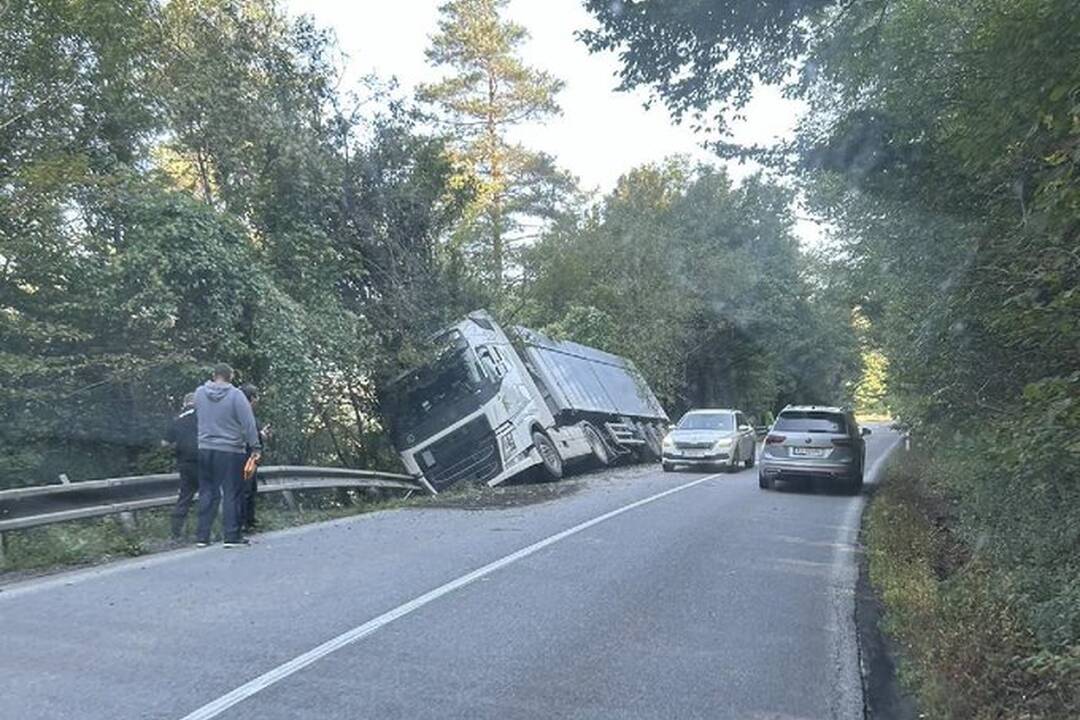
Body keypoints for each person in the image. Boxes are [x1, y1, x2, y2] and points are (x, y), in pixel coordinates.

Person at [193, 363, 260, 547]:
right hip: (230, 450)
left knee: (207, 491)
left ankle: (202, 536)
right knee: (232, 492)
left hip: (205, 448)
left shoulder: (199, 393)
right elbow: (248, 422)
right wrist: (255, 447)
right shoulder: (236, 395)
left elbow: (196, 415)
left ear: (214, 374)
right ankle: (231, 535)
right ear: (231, 376)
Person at [163, 393, 199, 539]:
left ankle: (176, 533)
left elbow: (164, 443)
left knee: (185, 496)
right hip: (204, 462)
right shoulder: (204, 417)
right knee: (210, 495)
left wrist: (178, 446)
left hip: (185, 463)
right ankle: (205, 530)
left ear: (185, 403)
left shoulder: (177, 421)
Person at [238, 383, 270, 532]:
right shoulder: (242, 413)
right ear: (251, 398)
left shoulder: (248, 414)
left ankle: (250, 520)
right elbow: (244, 434)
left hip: (250, 457)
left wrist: (262, 434)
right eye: (256, 396)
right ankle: (242, 523)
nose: (258, 400)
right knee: (245, 490)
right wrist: (260, 435)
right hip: (244, 456)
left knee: (251, 490)